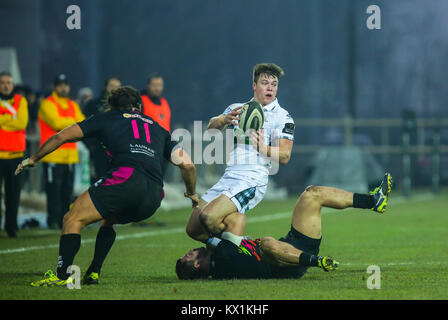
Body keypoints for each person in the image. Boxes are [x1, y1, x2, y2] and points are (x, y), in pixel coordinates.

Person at [15, 86, 198, 287]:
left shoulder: (107, 118)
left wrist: (33, 158)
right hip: (154, 195)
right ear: (139, 106)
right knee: (108, 219)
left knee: (72, 219)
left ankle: (61, 276)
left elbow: (61, 136)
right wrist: (191, 193)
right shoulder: (159, 128)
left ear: (112, 106)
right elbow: (188, 165)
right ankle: (94, 271)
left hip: (125, 180)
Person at [176, 173, 393, 280]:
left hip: (291, 243)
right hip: (288, 263)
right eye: (189, 255)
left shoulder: (219, 253)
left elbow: (198, 230)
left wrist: (208, 220)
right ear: (196, 266)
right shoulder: (223, 261)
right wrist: (214, 222)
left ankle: (373, 201)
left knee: (312, 194)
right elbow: (238, 219)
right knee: (267, 244)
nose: (192, 250)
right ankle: (317, 261)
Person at [185, 63, 295, 243]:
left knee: (209, 218)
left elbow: (285, 156)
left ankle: (244, 247)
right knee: (193, 228)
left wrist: (263, 148)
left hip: (252, 179)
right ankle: (235, 242)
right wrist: (222, 120)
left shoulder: (282, 116)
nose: (270, 88)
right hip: (229, 176)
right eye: (265, 82)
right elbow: (211, 130)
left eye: (274, 84)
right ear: (254, 85)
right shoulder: (239, 108)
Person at [38, 74, 85, 229]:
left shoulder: (72, 104)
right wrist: (74, 124)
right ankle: (52, 221)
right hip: (52, 155)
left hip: (70, 156)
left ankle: (64, 221)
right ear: (54, 87)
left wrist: (73, 124)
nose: (63, 88)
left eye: (65, 84)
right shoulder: (47, 103)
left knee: (66, 193)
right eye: (60, 85)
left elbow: (83, 123)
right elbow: (56, 123)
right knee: (53, 193)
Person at [0, 71, 28, 238]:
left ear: (13, 84)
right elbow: (16, 122)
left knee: (13, 194)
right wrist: (12, 119)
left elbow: (22, 123)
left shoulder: (20, 100)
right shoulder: (16, 105)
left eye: (8, 82)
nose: (6, 85)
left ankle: (11, 227)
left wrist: (3, 120)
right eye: (3, 82)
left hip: (15, 156)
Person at [83, 77, 122, 183]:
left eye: (118, 87)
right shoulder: (93, 105)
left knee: (114, 182)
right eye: (112, 86)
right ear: (105, 87)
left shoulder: (124, 107)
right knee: (97, 181)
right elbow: (84, 126)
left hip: (117, 152)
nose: (115, 89)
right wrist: (91, 145)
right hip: (97, 151)